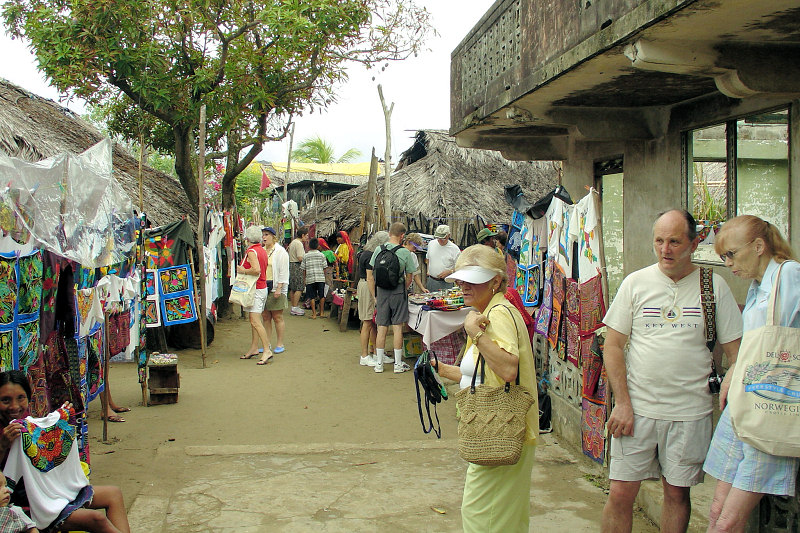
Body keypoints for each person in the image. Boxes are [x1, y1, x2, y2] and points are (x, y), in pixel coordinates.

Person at [601, 209, 743, 533]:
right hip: (636, 410)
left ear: (694, 244)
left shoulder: (714, 287)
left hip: (690, 412)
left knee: (677, 494)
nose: (665, 250)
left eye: (675, 242)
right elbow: (612, 346)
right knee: (621, 492)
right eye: (660, 241)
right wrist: (622, 402)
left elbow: (737, 355)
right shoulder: (635, 284)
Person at [702, 215, 800, 533]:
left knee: (729, 519)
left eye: (731, 254)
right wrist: (732, 373)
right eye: (723, 257)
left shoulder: (789, 277)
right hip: (746, 404)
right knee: (717, 509)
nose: (728, 263)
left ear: (758, 246)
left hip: (773, 409)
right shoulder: (759, 288)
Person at [431, 244, 539, 532]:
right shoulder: (491, 309)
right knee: (502, 518)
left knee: (481, 517)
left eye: (472, 279)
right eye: (461, 279)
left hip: (502, 430)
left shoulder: (497, 314)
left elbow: (506, 369)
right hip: (499, 430)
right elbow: (482, 376)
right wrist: (438, 370)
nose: (464, 285)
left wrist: (475, 333)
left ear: (495, 281)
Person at [0, 371, 130, 533]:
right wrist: (3, 446)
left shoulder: (29, 423)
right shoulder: (8, 432)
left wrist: (61, 420)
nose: (14, 406)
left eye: (21, 398)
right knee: (96, 519)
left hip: (55, 492)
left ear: (29, 397)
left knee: (114, 494)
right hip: (29, 504)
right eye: (5, 400)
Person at [367, 222, 415, 373]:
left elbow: (371, 273)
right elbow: (410, 276)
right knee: (397, 327)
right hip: (398, 291)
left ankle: (379, 364)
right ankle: (398, 364)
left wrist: (375, 294)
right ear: (402, 236)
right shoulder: (405, 253)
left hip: (381, 292)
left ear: (389, 233)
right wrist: (403, 289)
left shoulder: (378, 250)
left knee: (381, 327)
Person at [237, 225, 273, 365]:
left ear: (247, 238)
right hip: (261, 287)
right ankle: (254, 348)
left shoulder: (252, 251)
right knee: (254, 320)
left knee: (255, 321)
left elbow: (256, 270)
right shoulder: (262, 250)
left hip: (256, 288)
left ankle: (266, 349)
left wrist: (242, 270)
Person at [356, 231, 390, 367]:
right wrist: (374, 296)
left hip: (369, 286)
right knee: (367, 321)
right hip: (367, 287)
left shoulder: (367, 252)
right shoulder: (369, 255)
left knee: (374, 322)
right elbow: (370, 277)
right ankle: (364, 355)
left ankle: (376, 352)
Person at [262, 226, 289, 354]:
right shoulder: (261, 250)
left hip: (275, 286)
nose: (264, 237)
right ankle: (266, 343)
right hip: (263, 286)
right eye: (263, 235)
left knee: (277, 316)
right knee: (266, 316)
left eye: (267, 234)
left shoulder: (280, 251)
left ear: (273, 236)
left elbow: (284, 271)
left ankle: (280, 343)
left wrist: (279, 288)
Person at [426, 224, 461, 292]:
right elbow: (428, 258)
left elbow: (460, 267)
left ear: (448, 235)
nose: (440, 241)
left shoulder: (454, 249)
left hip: (446, 283)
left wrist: (450, 271)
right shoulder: (431, 244)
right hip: (431, 280)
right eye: (438, 238)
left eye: (443, 238)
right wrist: (428, 270)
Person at [300, 238, 328, 319]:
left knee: (312, 296)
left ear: (309, 246)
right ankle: (322, 312)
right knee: (321, 295)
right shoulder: (322, 255)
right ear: (318, 246)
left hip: (310, 278)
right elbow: (324, 267)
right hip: (320, 278)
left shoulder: (306, 256)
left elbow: (304, 269)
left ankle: (314, 314)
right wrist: (323, 276)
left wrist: (305, 279)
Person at [288, 227, 309, 316]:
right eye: (307, 235)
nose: (307, 237)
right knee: (299, 287)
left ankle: (293, 306)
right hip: (297, 265)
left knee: (293, 287)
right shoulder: (299, 244)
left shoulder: (293, 242)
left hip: (291, 265)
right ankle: (295, 307)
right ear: (302, 235)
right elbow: (300, 258)